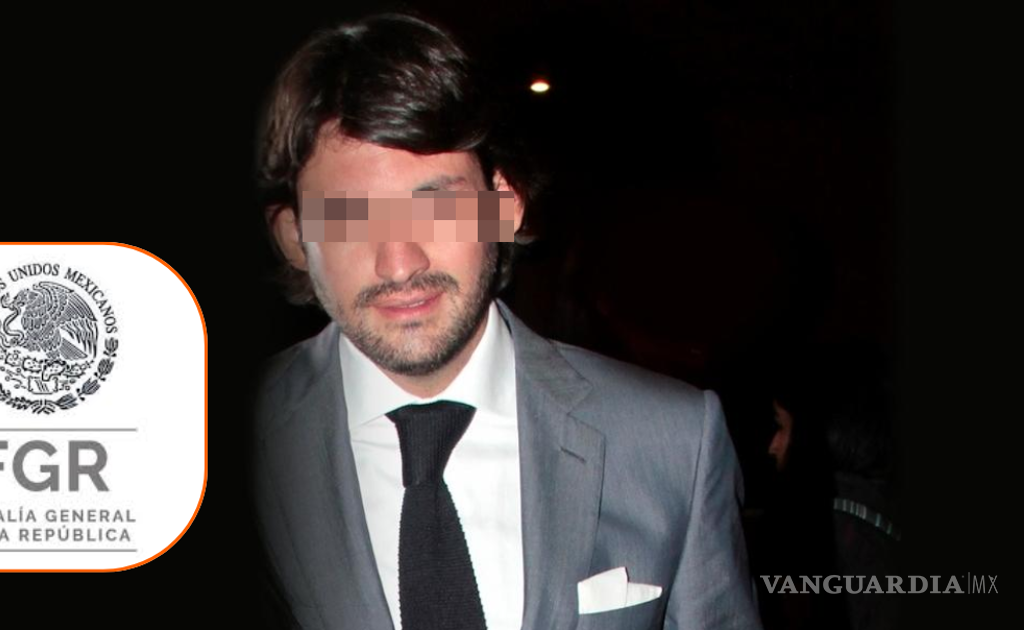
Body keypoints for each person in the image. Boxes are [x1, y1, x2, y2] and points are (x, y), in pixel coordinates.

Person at [249, 12, 761, 630]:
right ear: (294, 237)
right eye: (348, 216)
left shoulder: (673, 442)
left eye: (436, 204)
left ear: (505, 204)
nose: (399, 261)